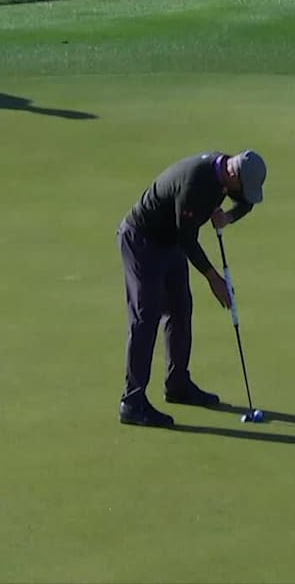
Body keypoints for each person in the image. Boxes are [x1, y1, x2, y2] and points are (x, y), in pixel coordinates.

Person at [117, 150, 267, 427]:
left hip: (169, 240)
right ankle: (132, 402)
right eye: (242, 187)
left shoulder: (230, 174)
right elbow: (187, 238)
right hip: (142, 240)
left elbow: (246, 202)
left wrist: (228, 218)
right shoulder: (196, 182)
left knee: (180, 307)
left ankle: (178, 384)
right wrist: (213, 278)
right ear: (233, 175)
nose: (244, 193)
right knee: (145, 316)